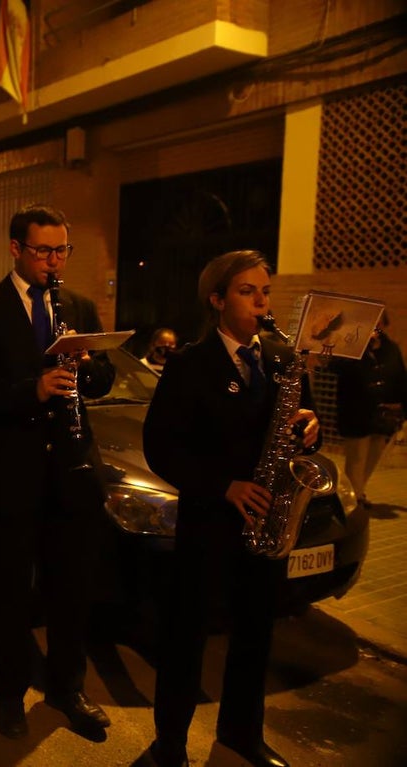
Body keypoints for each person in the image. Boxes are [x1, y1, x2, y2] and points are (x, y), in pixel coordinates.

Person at [141, 250, 321, 767]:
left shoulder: (283, 360)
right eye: (247, 291)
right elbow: (160, 447)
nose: (261, 301)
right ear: (217, 300)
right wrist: (224, 486)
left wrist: (310, 429)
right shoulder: (189, 364)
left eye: (265, 291)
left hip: (265, 521)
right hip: (210, 523)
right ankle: (170, 743)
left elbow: (297, 432)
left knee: (255, 636)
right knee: (186, 638)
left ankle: (241, 734)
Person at [0, 204, 116, 741]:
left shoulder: (79, 305)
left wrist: (89, 367)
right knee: (10, 592)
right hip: (12, 471)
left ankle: (68, 688)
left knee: (71, 587)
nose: (54, 261)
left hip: (71, 468)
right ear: (15, 249)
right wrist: (35, 389)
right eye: (43, 251)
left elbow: (104, 381)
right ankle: (8, 691)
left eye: (61, 250)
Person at [333, 310, 406, 508]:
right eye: (372, 320)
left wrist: (402, 404)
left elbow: (400, 376)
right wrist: (359, 345)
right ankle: (353, 500)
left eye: (379, 321)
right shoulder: (352, 347)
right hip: (356, 413)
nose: (376, 325)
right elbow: (336, 367)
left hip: (383, 415)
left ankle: (357, 492)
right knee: (356, 459)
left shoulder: (391, 348)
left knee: (373, 457)